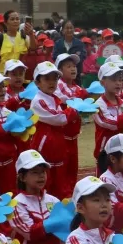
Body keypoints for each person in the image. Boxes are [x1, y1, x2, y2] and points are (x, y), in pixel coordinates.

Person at [8, 150, 68, 244]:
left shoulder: (53, 200)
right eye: (35, 172)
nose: (41, 176)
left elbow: (65, 230)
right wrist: (53, 223)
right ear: (22, 177)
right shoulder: (17, 203)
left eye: (43, 172)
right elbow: (30, 234)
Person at [30, 60, 82, 199]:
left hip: (58, 148)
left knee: (60, 185)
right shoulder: (38, 101)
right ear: (37, 82)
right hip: (45, 150)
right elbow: (59, 118)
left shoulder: (54, 99)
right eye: (47, 78)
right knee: (46, 186)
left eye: (54, 78)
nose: (51, 82)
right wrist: (76, 110)